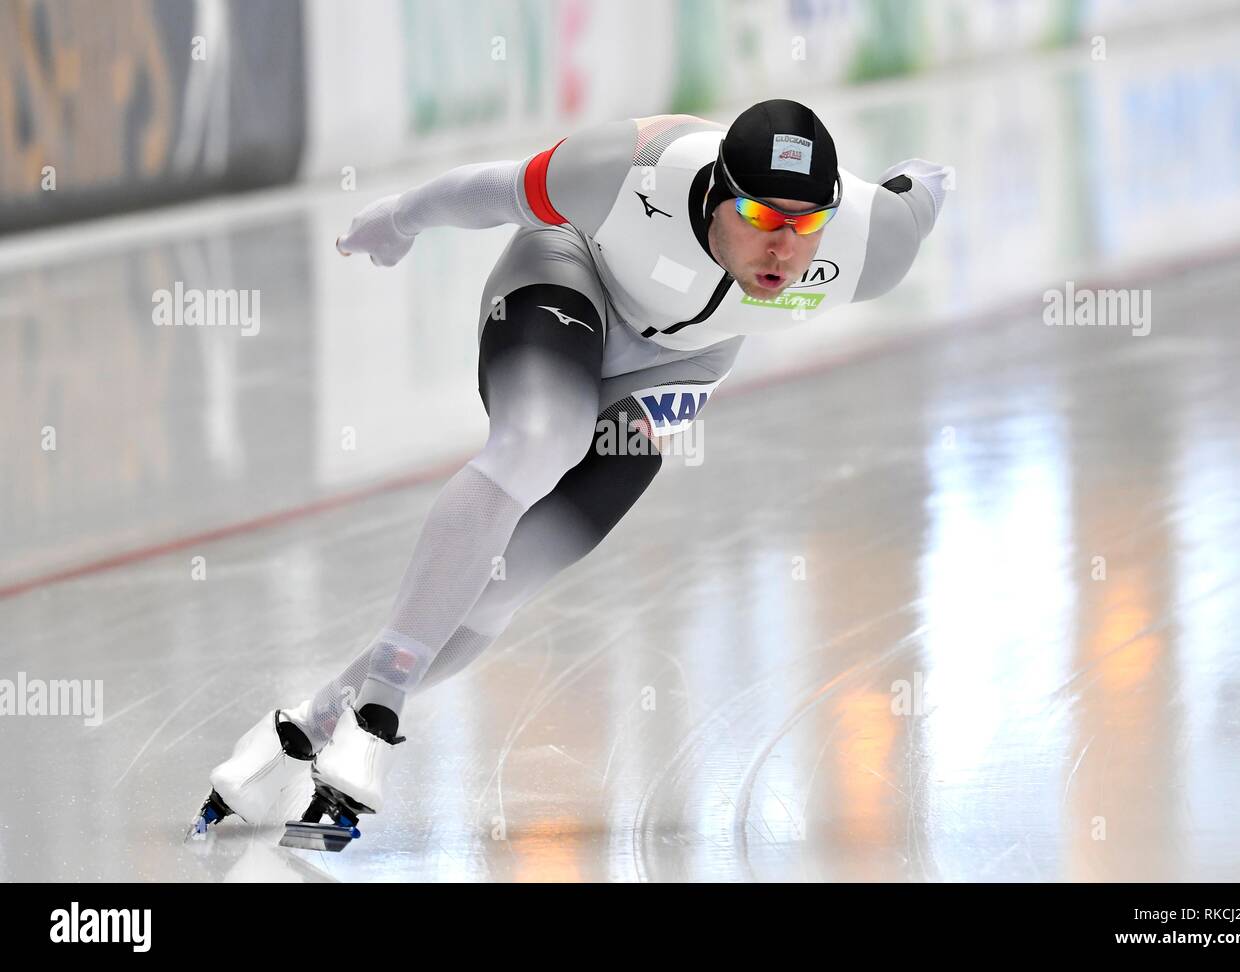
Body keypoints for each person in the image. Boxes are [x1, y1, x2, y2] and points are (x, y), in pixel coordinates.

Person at [189, 99, 950, 849]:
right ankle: (378, 715)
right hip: (567, 272)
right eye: (761, 219)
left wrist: (925, 179)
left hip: (678, 367)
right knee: (540, 442)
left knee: (500, 587)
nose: (784, 249)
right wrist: (397, 220)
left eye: (805, 222)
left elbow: (915, 195)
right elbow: (485, 189)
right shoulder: (622, 174)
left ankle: (308, 727)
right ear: (717, 192)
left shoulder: (868, 246)